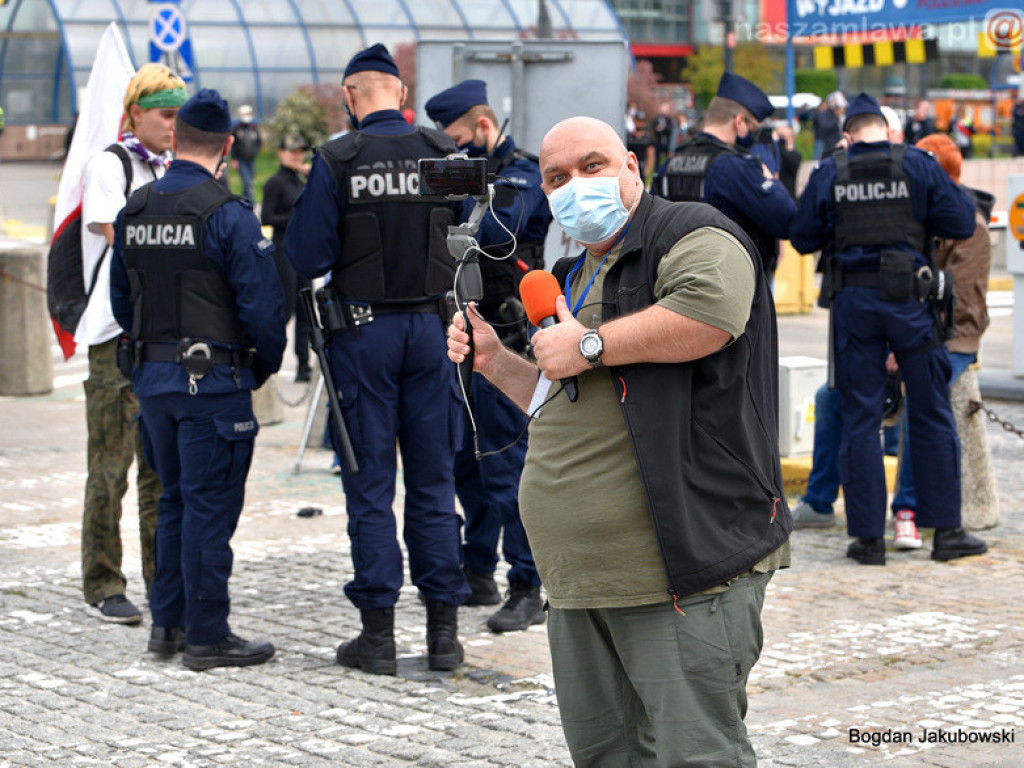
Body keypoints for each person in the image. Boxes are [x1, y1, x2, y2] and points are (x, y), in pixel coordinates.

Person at [447, 115, 791, 766]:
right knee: (608, 754)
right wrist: (495, 362)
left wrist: (590, 343)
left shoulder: (693, 233)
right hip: (582, 584)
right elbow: (566, 399)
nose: (575, 186)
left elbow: (709, 317)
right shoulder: (576, 273)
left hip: (682, 573)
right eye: (556, 178)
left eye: (592, 166)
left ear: (633, 166)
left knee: (697, 755)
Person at [285, 43, 470, 675]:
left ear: (349, 98)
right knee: (434, 484)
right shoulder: (445, 153)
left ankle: (379, 637)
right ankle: (445, 636)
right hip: (432, 334)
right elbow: (475, 233)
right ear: (401, 96)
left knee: (369, 488)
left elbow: (307, 256)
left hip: (364, 338)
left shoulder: (337, 159)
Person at [109, 88, 286, 669]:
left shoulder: (134, 210)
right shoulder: (226, 213)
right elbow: (263, 307)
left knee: (175, 503)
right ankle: (208, 636)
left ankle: (168, 626)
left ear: (176, 139)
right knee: (209, 508)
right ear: (228, 146)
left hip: (155, 382)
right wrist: (263, 365)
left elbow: (120, 301)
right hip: (213, 386)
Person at [790, 92, 988, 565]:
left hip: (855, 305)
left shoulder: (830, 170)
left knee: (860, 418)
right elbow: (960, 221)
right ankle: (946, 533)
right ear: (887, 129)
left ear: (848, 133)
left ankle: (867, 540)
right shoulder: (918, 165)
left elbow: (801, 238)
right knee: (932, 411)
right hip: (911, 303)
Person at [424, 78, 552, 633]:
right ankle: (477, 570)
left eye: (458, 141)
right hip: (456, 335)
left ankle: (527, 582)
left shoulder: (519, 175)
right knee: (462, 462)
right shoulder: (457, 176)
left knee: (506, 464)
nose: (453, 155)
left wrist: (459, 198)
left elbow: (503, 228)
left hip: (504, 336)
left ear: (481, 127)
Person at [77, 63, 185, 625]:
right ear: (136, 112)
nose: (174, 126)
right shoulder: (110, 166)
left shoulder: (177, 169)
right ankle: (102, 583)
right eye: (166, 114)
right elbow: (124, 239)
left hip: (162, 338)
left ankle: (161, 581)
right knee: (110, 465)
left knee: (160, 471)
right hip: (115, 336)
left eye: (180, 116)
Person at [888, 133, 994, 546]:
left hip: (952, 341)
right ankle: (821, 500)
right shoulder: (915, 215)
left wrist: (907, 346)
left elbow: (960, 306)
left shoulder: (969, 223)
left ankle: (908, 510)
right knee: (836, 397)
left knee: (922, 396)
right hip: (912, 334)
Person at [653, 71, 796, 281]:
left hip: (675, 284)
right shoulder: (736, 168)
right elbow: (787, 220)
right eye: (753, 126)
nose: (755, 134)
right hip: (733, 288)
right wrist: (770, 180)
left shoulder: (670, 165)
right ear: (739, 121)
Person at [261, 132, 312, 382]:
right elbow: (267, 217)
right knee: (287, 309)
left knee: (306, 309)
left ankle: (304, 364)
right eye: (291, 151)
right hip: (282, 250)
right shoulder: (275, 183)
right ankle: (269, 358)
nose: (296, 155)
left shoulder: (301, 181)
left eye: (299, 151)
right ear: (281, 153)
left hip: (302, 250)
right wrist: (296, 218)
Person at [230, 104, 262, 202]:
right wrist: (234, 159)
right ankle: (251, 203)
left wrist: (255, 152)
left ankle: (244, 201)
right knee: (247, 181)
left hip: (251, 159)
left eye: (248, 114)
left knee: (250, 182)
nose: (246, 116)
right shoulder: (236, 129)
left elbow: (259, 142)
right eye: (244, 114)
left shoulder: (254, 128)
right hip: (241, 159)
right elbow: (233, 145)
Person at [812, 93, 845, 159]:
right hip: (827, 144)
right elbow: (825, 127)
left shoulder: (840, 115)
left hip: (838, 144)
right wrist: (837, 117)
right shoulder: (825, 114)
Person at [651, 101, 674, 167]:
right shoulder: (656, 119)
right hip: (658, 142)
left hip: (667, 142)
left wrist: (662, 129)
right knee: (657, 159)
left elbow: (669, 129)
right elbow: (655, 129)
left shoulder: (669, 119)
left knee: (667, 159)